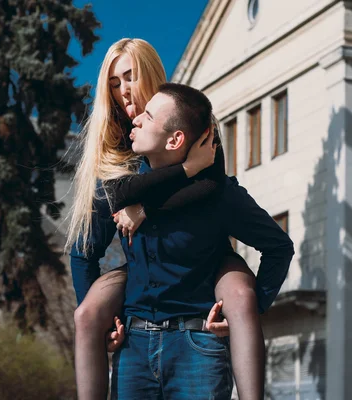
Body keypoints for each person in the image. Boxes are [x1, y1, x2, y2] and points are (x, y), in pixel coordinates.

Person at [66, 38, 282, 400]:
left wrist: (148, 207)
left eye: (130, 77)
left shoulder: (192, 118)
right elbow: (90, 238)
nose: (124, 91)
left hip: (201, 276)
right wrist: (109, 324)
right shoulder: (120, 146)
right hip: (140, 291)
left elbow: (211, 183)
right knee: (87, 313)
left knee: (241, 293)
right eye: (114, 83)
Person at [111, 82, 294, 399]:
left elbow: (279, 247)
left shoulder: (219, 194)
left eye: (149, 116)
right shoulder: (129, 188)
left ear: (175, 139)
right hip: (134, 348)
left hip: (197, 347)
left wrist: (250, 310)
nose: (136, 119)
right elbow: (86, 249)